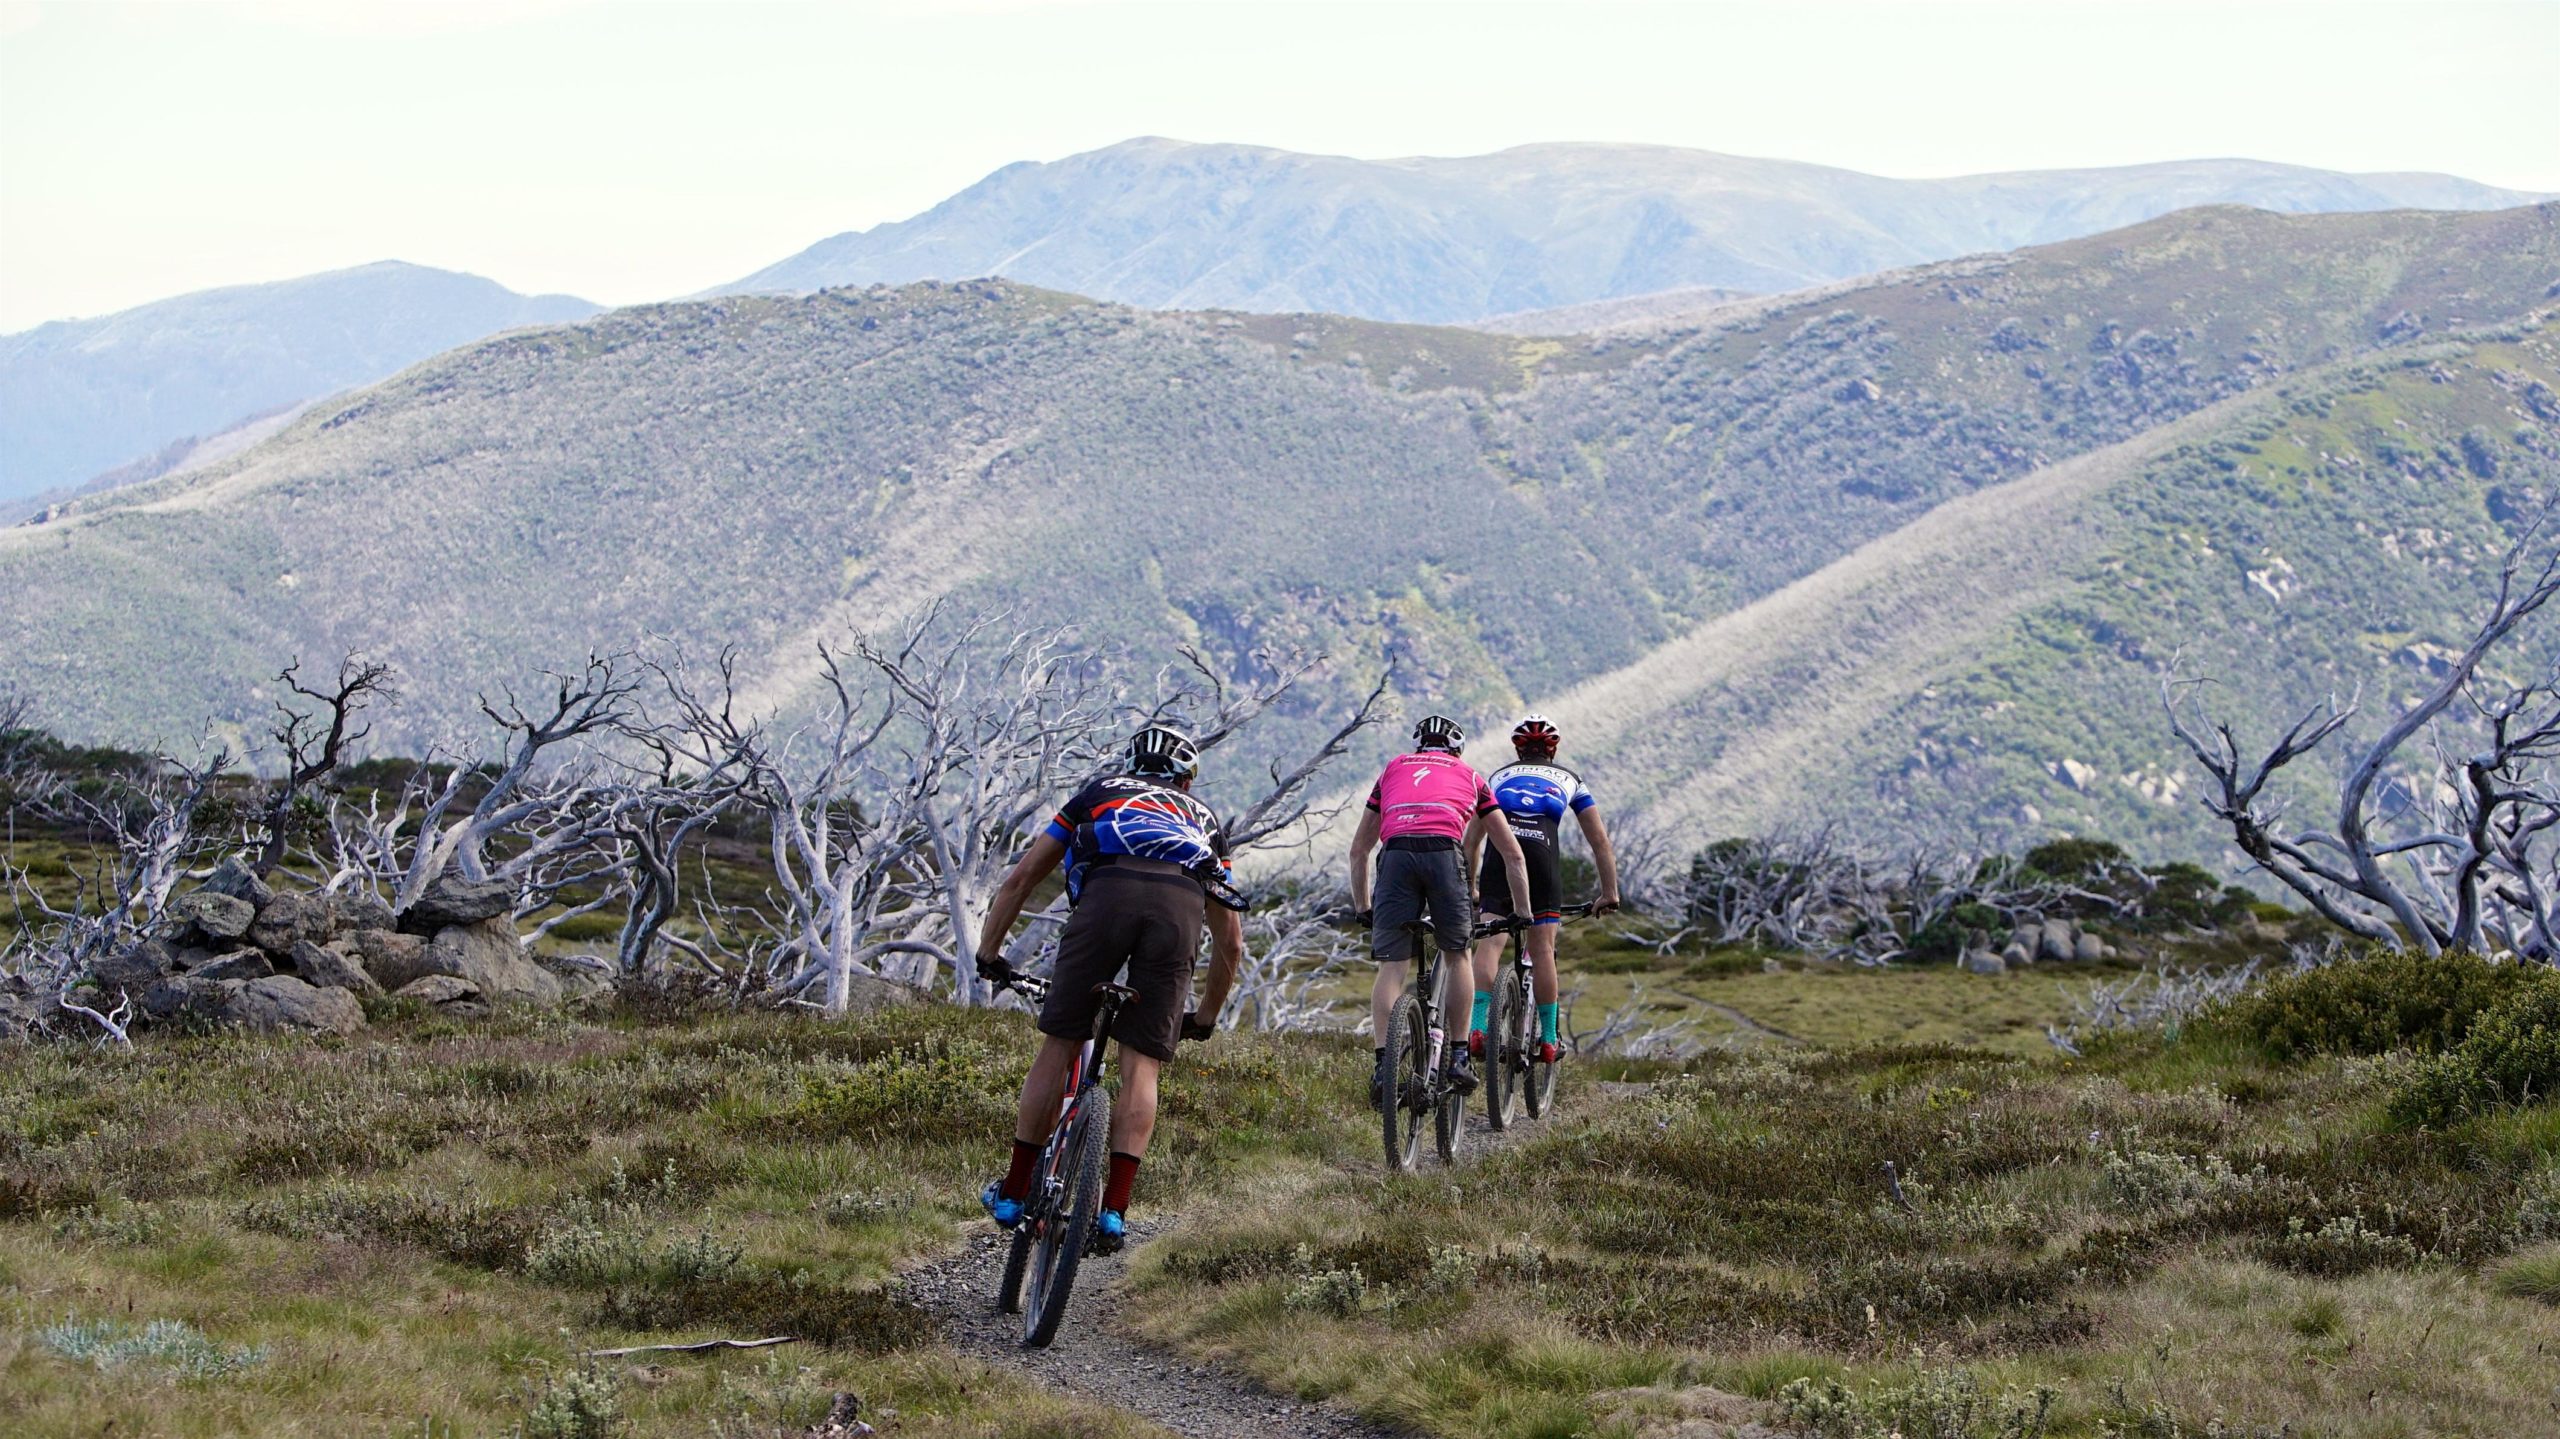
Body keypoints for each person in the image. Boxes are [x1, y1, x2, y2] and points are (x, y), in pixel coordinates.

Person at [973, 724, 1243, 1255]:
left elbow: (1021, 878)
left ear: (1130, 765)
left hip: (1106, 899)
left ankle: (1013, 1191)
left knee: (1060, 1044)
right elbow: (1230, 940)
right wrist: (1206, 1015)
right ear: (1187, 781)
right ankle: (1115, 1210)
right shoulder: (1205, 822)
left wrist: (989, 953)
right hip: (1177, 913)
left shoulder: (1098, 794)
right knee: (1142, 1065)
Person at [1347, 714, 1532, 1103]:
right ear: (1457, 748)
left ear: (1419, 746)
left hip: (1396, 857)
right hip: (1444, 855)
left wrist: (1363, 906)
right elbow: (1512, 854)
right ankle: (1460, 1056)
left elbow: (1359, 849)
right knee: (1457, 955)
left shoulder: (1393, 769)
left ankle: (1384, 1066)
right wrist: (1522, 912)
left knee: (1392, 966)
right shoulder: (1470, 776)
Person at [1467, 713, 1621, 1064]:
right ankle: (1550, 1039)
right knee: (1542, 950)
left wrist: (1472, 885)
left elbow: (1471, 842)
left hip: (1500, 859)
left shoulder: (1497, 778)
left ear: (1517, 749)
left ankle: (1478, 1027)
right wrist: (1609, 892)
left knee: (1490, 945)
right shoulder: (1571, 780)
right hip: (1541, 860)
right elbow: (1600, 844)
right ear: (1553, 749)